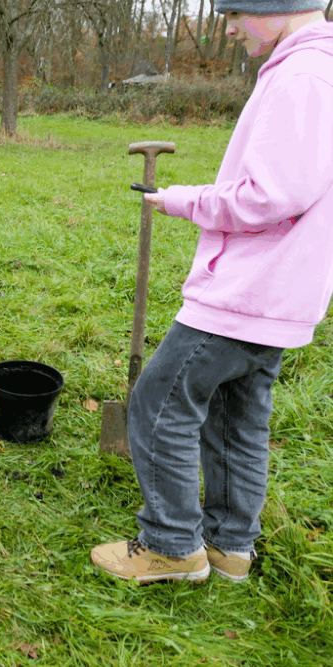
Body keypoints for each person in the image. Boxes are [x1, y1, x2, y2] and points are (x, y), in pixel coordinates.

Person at [91, 1, 333, 584]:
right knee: (237, 418)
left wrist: (182, 200)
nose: (225, 28)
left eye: (237, 13)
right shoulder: (312, 68)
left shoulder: (303, 76)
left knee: (158, 404)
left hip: (248, 291)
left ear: (280, 8)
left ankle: (172, 545)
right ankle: (229, 547)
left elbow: (268, 196)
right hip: (281, 295)